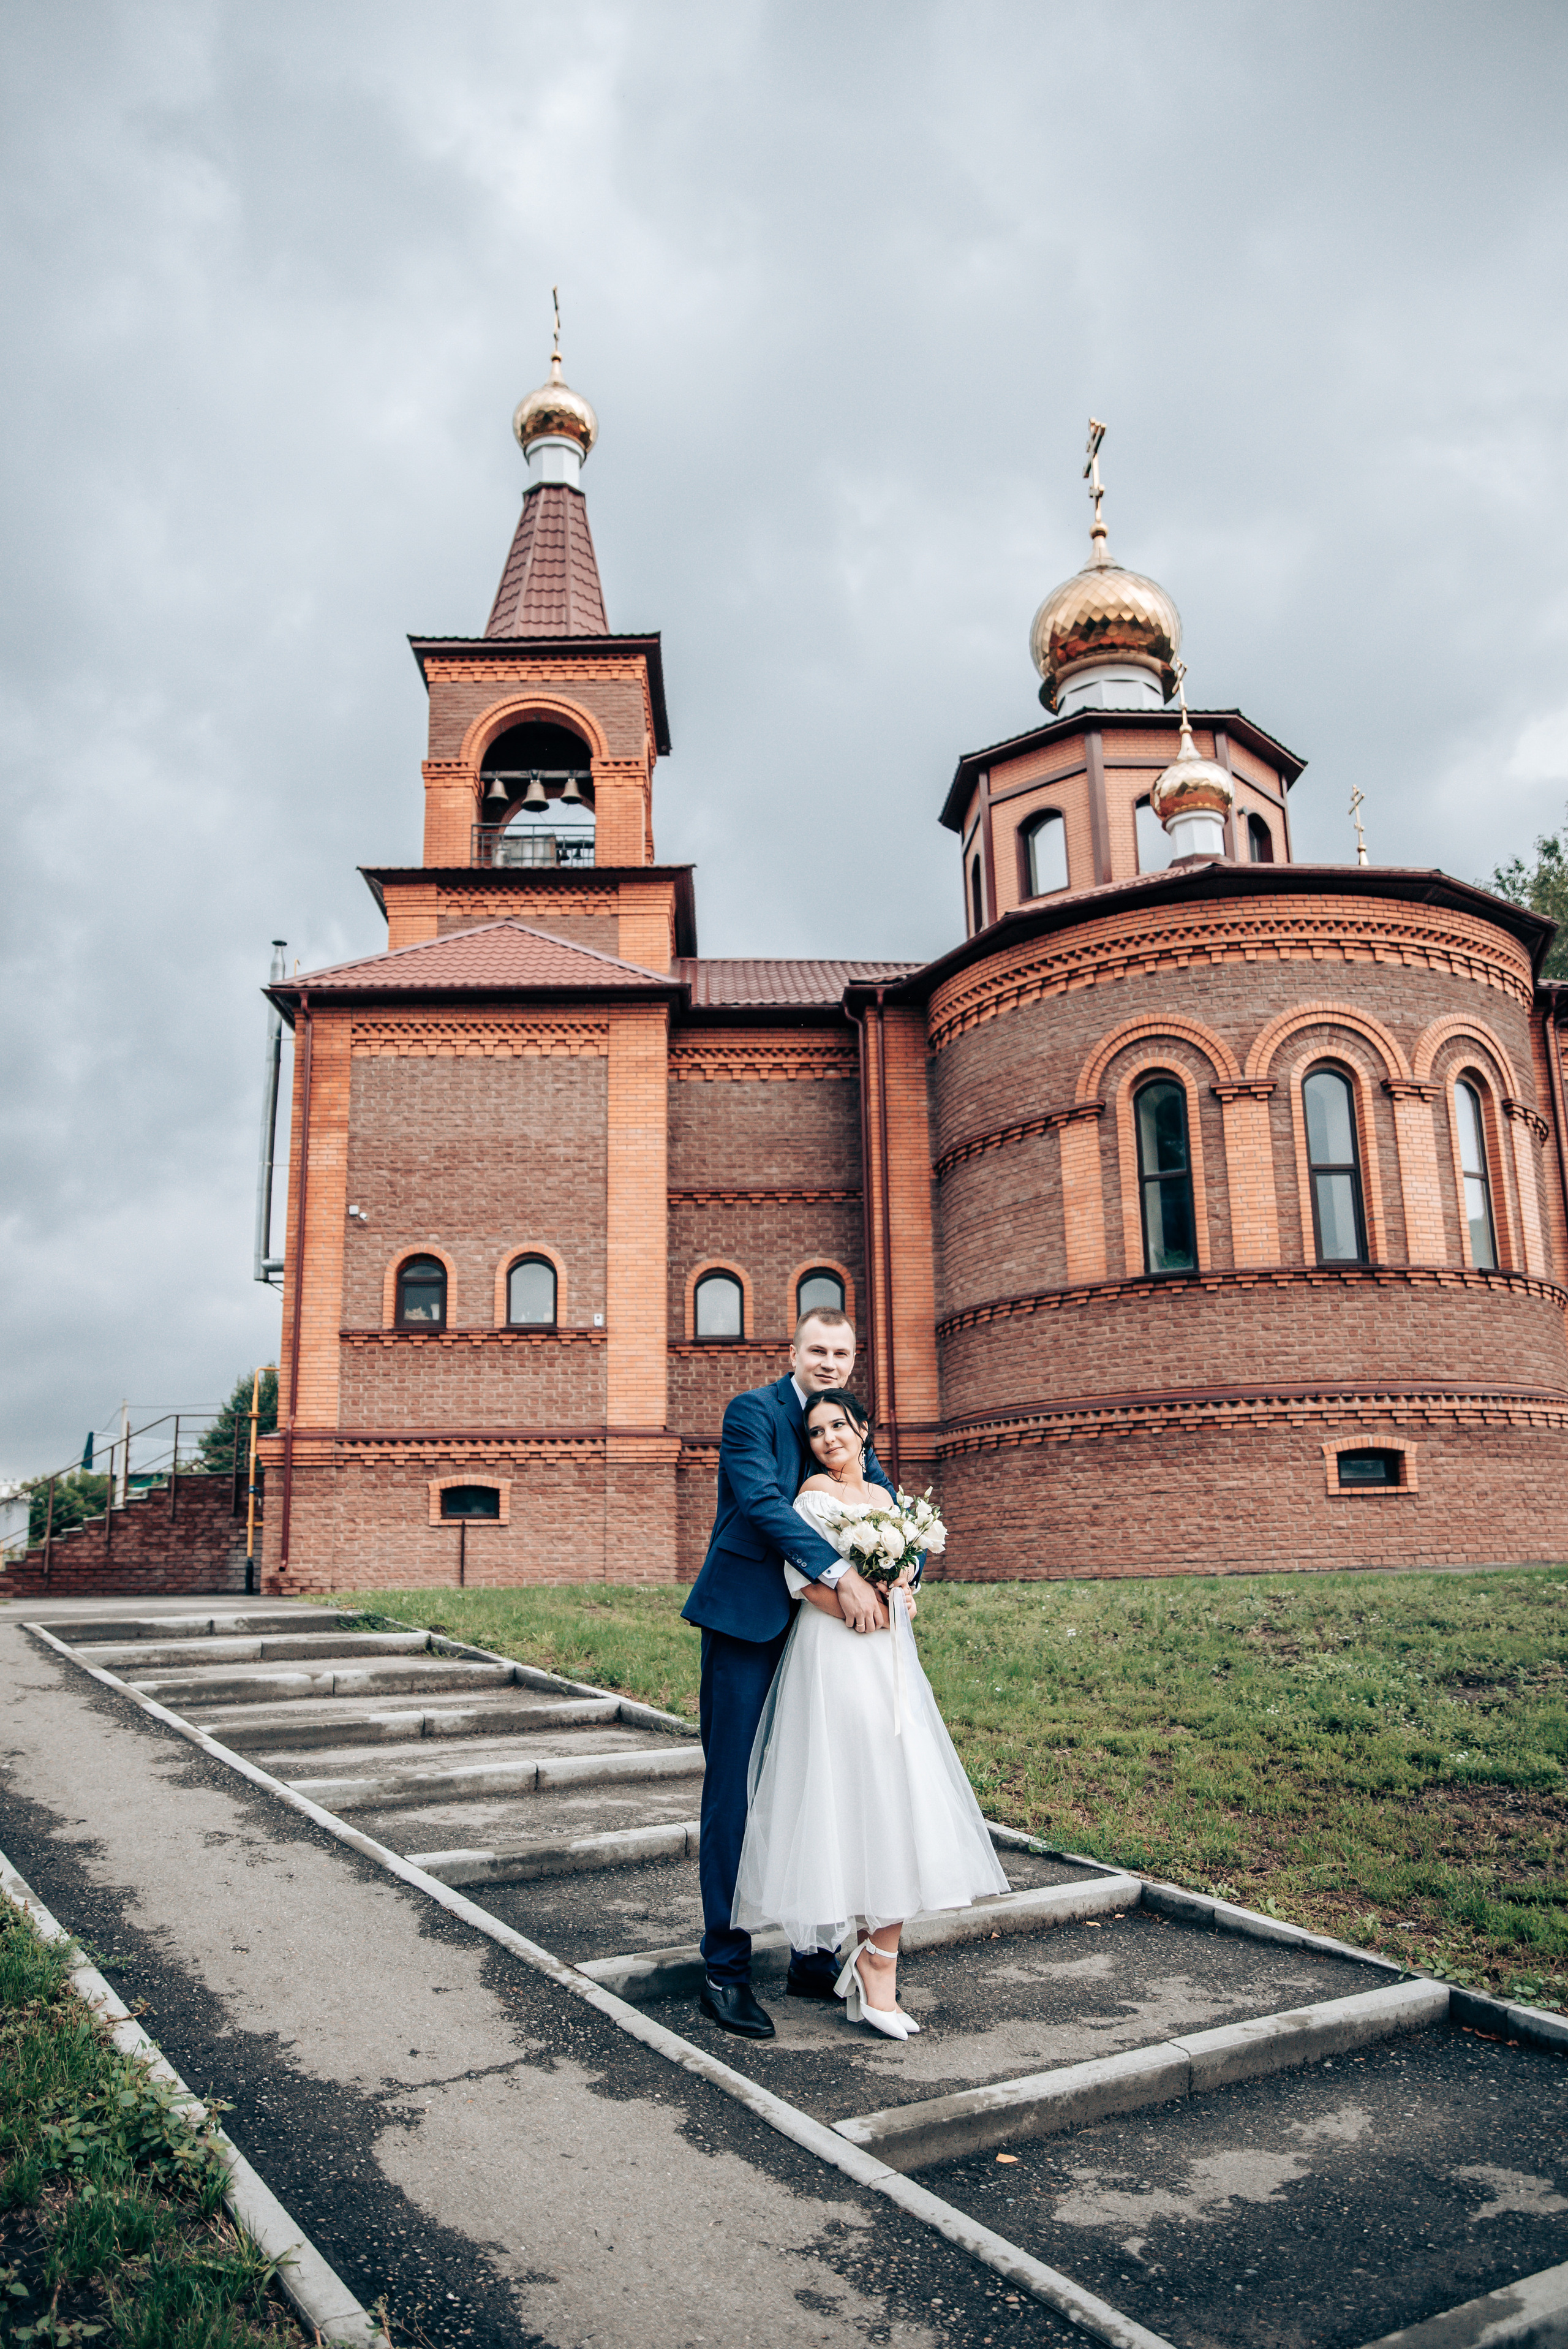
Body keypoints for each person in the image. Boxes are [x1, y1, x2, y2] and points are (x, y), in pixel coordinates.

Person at [731, 1388, 1009, 2037]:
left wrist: (904, 1593)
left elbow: (907, 1571)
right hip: (836, 1659)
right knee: (859, 1792)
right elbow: (802, 1582)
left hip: (891, 1665)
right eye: (816, 1431)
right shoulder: (810, 1498)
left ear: (862, 1431)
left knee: (897, 1795)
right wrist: (862, 1608)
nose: (828, 1438)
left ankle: (876, 1962)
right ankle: (871, 1971)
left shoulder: (890, 1504)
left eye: (839, 1426)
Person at [681, 1309, 896, 2039]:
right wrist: (842, 1574)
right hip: (748, 1617)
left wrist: (902, 1573)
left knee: (822, 1781)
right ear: (794, 1352)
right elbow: (763, 1503)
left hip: (820, 1636)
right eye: (817, 1350)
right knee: (734, 1789)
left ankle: (813, 1950)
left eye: (842, 1351)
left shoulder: (845, 1424)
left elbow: (886, 1503)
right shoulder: (752, 1412)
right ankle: (725, 1971)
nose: (830, 1361)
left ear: (853, 1356)